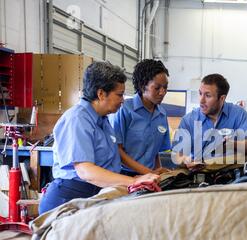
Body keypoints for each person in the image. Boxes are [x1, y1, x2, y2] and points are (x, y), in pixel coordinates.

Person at [38, 62, 160, 215]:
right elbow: (86, 171)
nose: (123, 100)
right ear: (101, 94)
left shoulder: (102, 120)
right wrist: (133, 181)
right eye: (119, 95)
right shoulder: (77, 119)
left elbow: (116, 154)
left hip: (95, 194)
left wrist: (144, 174)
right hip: (70, 199)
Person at [173, 73, 247, 167]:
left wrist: (233, 145)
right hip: (199, 174)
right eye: (200, 93)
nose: (201, 100)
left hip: (231, 174)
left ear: (222, 98)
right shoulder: (189, 120)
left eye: (208, 95)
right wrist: (185, 160)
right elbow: (177, 155)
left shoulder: (238, 114)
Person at [112, 59, 171, 176]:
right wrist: (149, 173)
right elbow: (117, 150)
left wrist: (159, 175)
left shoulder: (162, 114)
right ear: (143, 86)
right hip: (124, 174)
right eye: (157, 88)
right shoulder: (124, 110)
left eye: (165, 87)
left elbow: (155, 153)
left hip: (149, 175)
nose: (162, 92)